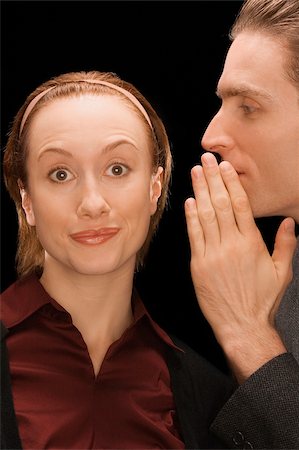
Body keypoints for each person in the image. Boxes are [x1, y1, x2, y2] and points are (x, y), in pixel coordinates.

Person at [0, 70, 234, 450]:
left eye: (117, 169)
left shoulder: (209, 398)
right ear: (27, 201)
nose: (93, 204)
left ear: (154, 188)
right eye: (60, 174)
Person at [185, 0, 299, 448]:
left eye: (248, 107)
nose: (211, 136)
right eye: (223, 103)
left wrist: (246, 333)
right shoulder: (282, 274)